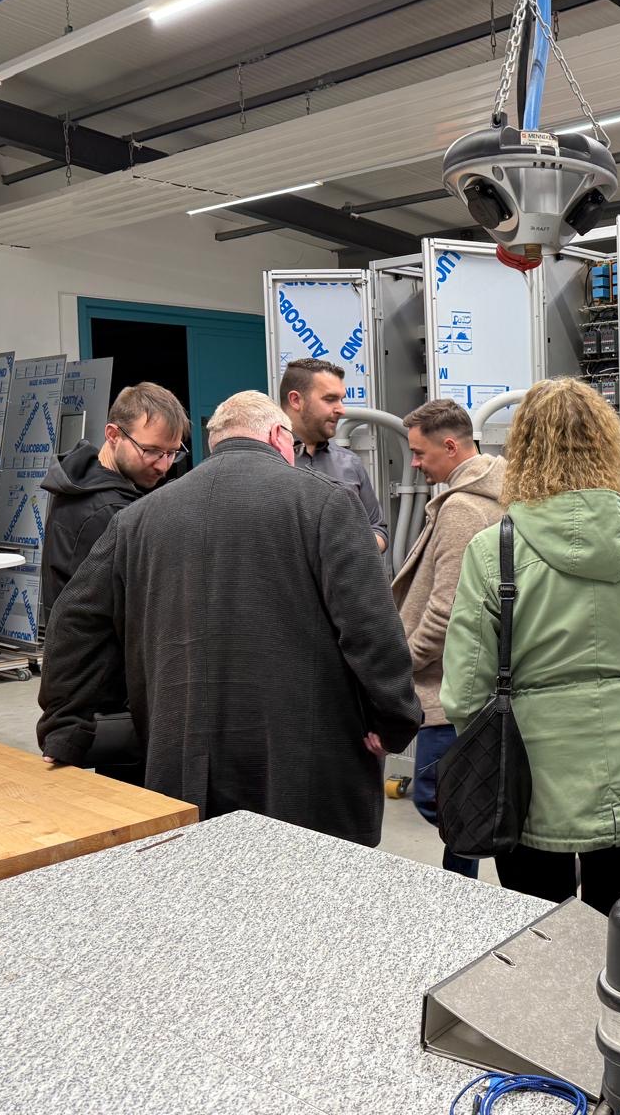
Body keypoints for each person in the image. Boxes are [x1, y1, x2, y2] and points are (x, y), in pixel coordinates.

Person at [36, 391, 422, 847]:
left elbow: (74, 621)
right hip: (305, 769)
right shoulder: (325, 504)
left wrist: (65, 728)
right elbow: (371, 628)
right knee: (308, 883)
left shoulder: (136, 519)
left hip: (183, 758)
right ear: (278, 435)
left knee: (203, 878)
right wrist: (394, 721)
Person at [441, 378, 620, 915]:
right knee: (616, 931)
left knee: (540, 937)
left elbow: (464, 692)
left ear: (524, 452)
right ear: (608, 449)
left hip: (529, 787)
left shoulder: (493, 551)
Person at [391, 397, 505, 879]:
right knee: (467, 806)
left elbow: (446, 608)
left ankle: (466, 893)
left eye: (420, 453)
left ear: (452, 446)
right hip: (480, 678)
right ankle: (464, 887)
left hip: (447, 686)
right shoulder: (495, 493)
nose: (415, 464)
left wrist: (405, 662)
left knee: (442, 802)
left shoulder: (461, 508)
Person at [40, 382, 188, 618]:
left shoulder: (82, 485)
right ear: (113, 435)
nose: (163, 466)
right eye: (150, 451)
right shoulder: (106, 512)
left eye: (171, 453)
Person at [280, 358, 388, 552]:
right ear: (296, 400)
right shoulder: (266, 460)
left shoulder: (349, 463)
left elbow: (378, 529)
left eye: (341, 399)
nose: (341, 410)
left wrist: (347, 551)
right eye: (330, 399)